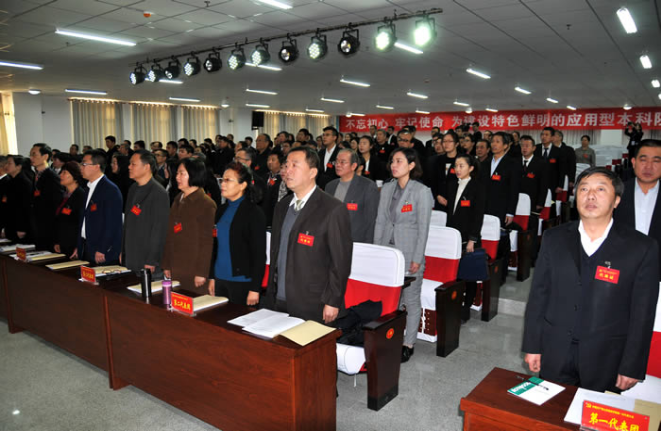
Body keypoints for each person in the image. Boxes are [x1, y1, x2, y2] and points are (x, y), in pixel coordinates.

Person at [523, 167, 659, 393]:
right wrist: (533, 345)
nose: (591, 196)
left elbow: (642, 313)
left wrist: (632, 365)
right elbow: (539, 295)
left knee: (596, 414)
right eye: (584, 189)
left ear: (616, 200)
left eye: (600, 189)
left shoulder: (641, 247)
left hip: (607, 357)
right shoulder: (554, 238)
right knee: (552, 410)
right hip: (556, 349)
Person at [264, 147, 353, 324]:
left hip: (313, 301)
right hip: (279, 297)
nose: (287, 171)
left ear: (312, 172)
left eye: (294, 165)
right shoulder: (282, 206)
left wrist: (333, 300)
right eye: (286, 165)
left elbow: (340, 261)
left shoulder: (332, 209)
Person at [374, 148, 433, 363]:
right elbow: (380, 221)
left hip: (409, 253)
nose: (393, 165)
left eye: (399, 161)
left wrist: (417, 257)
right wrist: (377, 251)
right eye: (392, 161)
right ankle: (394, 338)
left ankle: (408, 343)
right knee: (392, 299)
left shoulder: (421, 191)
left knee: (411, 299)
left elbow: (424, 228)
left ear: (411, 165)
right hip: (388, 254)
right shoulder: (387, 188)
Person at [209, 162, 266, 306]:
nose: (222, 184)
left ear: (243, 185)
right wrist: (212, 277)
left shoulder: (254, 213)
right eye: (222, 180)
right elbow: (215, 247)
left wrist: (255, 288)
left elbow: (259, 254)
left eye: (228, 180)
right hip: (220, 277)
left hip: (242, 281)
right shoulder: (221, 210)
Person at [162, 158, 217, 296]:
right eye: (177, 173)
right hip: (176, 265)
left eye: (182, 173)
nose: (177, 177)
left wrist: (202, 272)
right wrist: (166, 264)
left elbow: (208, 242)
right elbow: (169, 235)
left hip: (193, 268)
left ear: (194, 175)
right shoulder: (178, 199)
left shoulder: (206, 204)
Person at [446, 154, 486, 323]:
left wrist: (472, 239)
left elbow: (478, 216)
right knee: (455, 274)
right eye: (456, 165)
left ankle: (466, 307)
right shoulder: (452, 185)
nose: (457, 169)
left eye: (461, 166)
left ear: (471, 168)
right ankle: (455, 304)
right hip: (453, 236)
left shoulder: (477, 187)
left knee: (469, 275)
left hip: (468, 238)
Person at [614, 139, 661, 279]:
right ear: (634, 162)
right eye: (643, 160)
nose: (649, 167)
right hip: (621, 271)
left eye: (656, 161)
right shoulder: (615, 194)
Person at [122, 150, 170, 278]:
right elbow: (127, 223)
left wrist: (152, 259)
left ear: (146, 167)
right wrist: (123, 251)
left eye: (133, 164)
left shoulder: (158, 193)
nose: (129, 167)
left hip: (147, 260)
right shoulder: (133, 188)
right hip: (131, 255)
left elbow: (159, 230)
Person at [73, 150, 123, 265]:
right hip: (87, 246)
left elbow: (113, 223)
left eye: (84, 164)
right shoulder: (87, 188)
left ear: (96, 166)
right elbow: (84, 219)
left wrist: (102, 248)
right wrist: (79, 246)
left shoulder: (110, 190)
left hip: (101, 251)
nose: (81, 167)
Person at [325, 149, 380, 244]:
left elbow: (371, 221)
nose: (338, 165)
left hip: (356, 241)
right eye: (336, 161)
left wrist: (368, 246)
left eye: (342, 162)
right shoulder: (330, 186)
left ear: (353, 166)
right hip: (332, 239)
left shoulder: (367, 186)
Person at [480, 132, 521, 227]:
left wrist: (510, 212)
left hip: (502, 208)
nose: (494, 144)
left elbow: (514, 190)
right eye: (492, 141)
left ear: (505, 145)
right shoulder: (484, 163)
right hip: (484, 207)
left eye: (497, 142)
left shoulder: (512, 164)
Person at [30, 143, 64, 251]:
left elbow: (56, 205)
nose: (31, 158)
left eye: (34, 155)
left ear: (45, 156)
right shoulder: (36, 175)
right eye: (30, 155)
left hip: (48, 227)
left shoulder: (52, 177)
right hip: (38, 225)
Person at [53, 162, 86, 258]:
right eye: (61, 172)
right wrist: (57, 241)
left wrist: (78, 245)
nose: (60, 175)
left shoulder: (80, 196)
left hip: (73, 244)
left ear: (74, 176)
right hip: (63, 243)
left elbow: (81, 223)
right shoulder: (64, 195)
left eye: (64, 172)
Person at [3, 155, 33, 242]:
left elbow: (25, 206)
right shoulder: (11, 181)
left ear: (18, 166)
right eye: (6, 163)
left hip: (20, 226)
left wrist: (22, 227)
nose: (6, 166)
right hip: (11, 223)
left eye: (9, 163)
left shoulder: (24, 182)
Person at [535, 127, 566, 202]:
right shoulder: (535, 148)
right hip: (536, 183)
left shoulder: (558, 151)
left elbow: (562, 170)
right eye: (542, 134)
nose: (543, 137)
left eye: (546, 135)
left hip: (552, 184)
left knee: (550, 204)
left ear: (552, 137)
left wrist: (560, 185)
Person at [433, 131, 461, 212]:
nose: (446, 144)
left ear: (456, 144)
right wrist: (437, 195)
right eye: (444, 141)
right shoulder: (438, 160)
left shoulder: (463, 160)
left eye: (450, 141)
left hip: (457, 202)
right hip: (440, 201)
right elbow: (434, 181)